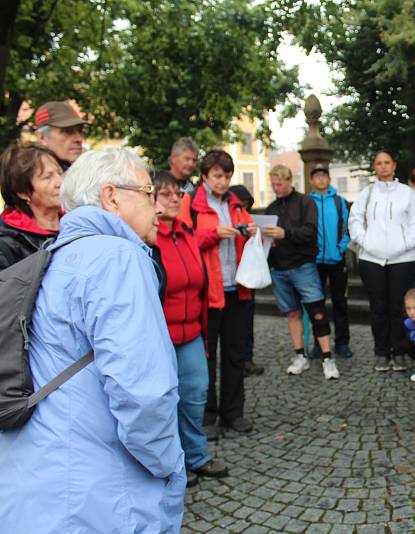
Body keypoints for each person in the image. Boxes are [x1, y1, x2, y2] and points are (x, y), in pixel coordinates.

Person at [0, 148, 186, 532]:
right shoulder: (118, 257)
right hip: (94, 493)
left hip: (36, 481)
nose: (159, 208)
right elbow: (143, 393)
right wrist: (169, 467)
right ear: (111, 196)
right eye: (149, 192)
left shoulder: (56, 253)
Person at [153, 171, 229, 486]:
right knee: (163, 400)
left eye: (177, 194)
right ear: (151, 200)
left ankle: (195, 456)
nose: (175, 199)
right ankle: (171, 461)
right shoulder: (147, 240)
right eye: (165, 194)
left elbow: (198, 285)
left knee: (196, 393)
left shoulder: (185, 234)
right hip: (160, 337)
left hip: (191, 334)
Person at [179, 149, 257, 435]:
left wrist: (252, 232)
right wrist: (214, 234)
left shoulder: (237, 204)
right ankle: (208, 415)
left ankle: (233, 413)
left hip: (237, 288)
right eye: (217, 176)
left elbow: (250, 234)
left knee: (236, 354)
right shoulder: (192, 204)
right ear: (204, 176)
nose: (222, 182)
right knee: (207, 357)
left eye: (226, 176)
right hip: (208, 292)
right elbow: (184, 240)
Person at [348, 150, 415, 372]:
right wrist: (365, 243)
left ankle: (400, 351)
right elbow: (354, 220)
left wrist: (406, 244)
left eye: (386, 162)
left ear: (394, 165)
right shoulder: (367, 193)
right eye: (378, 163)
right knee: (378, 308)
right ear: (375, 167)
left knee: (399, 308)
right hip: (372, 259)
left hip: (403, 258)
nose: (383, 166)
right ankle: (381, 352)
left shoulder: (406, 193)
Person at [264, 164, 339, 379]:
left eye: (279, 184)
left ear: (289, 181)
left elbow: (310, 232)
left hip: (303, 266)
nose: (276, 188)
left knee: (317, 312)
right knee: (292, 314)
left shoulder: (306, 202)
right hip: (279, 268)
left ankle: (327, 358)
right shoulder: (271, 208)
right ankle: (300, 356)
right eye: (273, 185)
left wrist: (284, 234)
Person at [309, 166, 353, 359]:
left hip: (336, 260)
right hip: (314, 261)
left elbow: (349, 226)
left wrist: (341, 247)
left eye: (323, 176)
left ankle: (342, 342)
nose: (320, 179)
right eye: (316, 176)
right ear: (311, 181)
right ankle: (320, 342)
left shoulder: (339, 201)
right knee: (316, 304)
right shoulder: (307, 202)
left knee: (340, 302)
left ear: (328, 179)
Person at [0, 143, 63, 269]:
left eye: (60, 173)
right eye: (47, 177)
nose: (60, 182)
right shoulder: (7, 245)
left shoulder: (78, 222)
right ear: (22, 192)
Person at [229, 184, 265, 377]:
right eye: (239, 205)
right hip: (231, 276)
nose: (243, 209)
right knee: (234, 325)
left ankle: (247, 358)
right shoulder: (228, 217)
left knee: (247, 321)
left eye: (246, 205)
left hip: (248, 275)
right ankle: (237, 361)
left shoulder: (248, 217)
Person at [33, 101, 86, 171]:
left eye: (80, 131)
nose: (79, 139)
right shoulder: (28, 177)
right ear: (42, 138)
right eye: (67, 131)